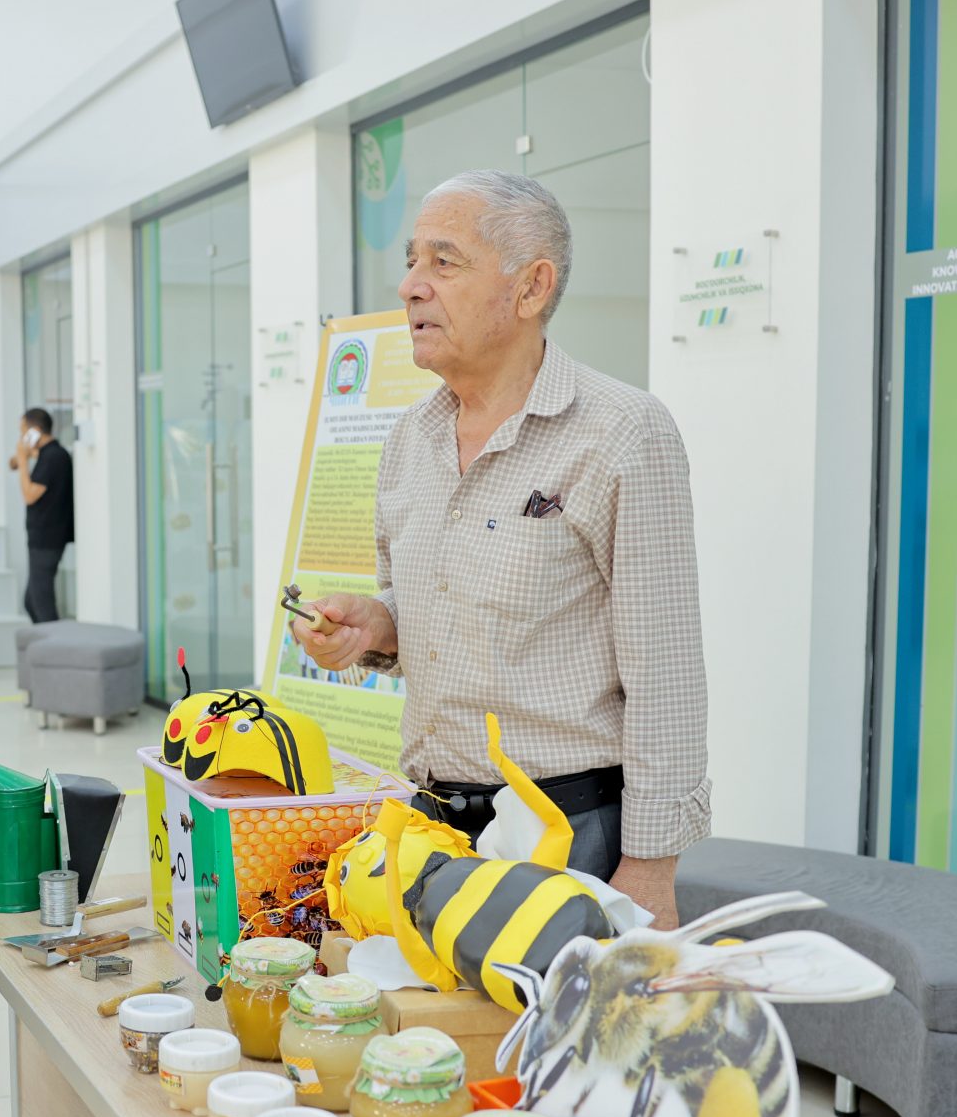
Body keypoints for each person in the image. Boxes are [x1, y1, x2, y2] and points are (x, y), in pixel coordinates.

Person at [293, 170, 710, 927]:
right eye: (411, 261)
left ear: (530, 288)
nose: (410, 286)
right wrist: (376, 627)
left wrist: (651, 869)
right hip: (431, 832)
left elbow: (667, 675)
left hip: (570, 837)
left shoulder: (622, 432)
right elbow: (431, 607)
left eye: (443, 261)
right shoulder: (409, 440)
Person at [12, 406, 73, 622]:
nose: (21, 438)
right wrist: (22, 458)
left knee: (42, 604)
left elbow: (29, 495)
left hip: (47, 541)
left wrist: (23, 460)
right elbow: (14, 464)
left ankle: (55, 643)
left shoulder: (53, 457)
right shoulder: (48, 455)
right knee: (31, 601)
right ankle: (47, 640)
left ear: (35, 431)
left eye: (23, 432)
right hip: (41, 539)